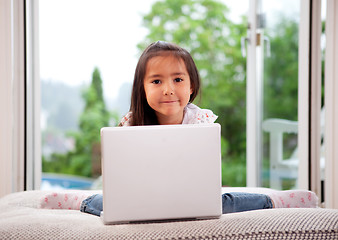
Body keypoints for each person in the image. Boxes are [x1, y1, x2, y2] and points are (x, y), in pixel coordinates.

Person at [40, 41, 318, 216]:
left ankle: (277, 200)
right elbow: (121, 175)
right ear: (143, 88)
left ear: (191, 85)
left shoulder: (201, 121)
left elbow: (206, 173)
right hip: (141, 199)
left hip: (193, 198)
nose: (169, 89)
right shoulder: (131, 123)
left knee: (228, 202)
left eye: (178, 79)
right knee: (106, 204)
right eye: (157, 81)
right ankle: (78, 201)